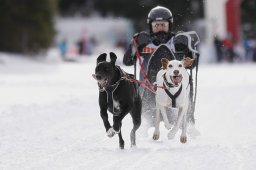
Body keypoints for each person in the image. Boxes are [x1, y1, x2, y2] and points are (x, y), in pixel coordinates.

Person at [123, 6, 200, 131]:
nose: (160, 28)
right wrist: (134, 46)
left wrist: (188, 50)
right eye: (156, 25)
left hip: (176, 88)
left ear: (169, 25)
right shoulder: (144, 42)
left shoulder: (177, 42)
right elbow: (127, 62)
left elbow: (192, 65)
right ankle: (145, 128)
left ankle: (186, 124)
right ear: (151, 26)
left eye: (163, 25)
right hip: (149, 89)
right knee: (149, 124)